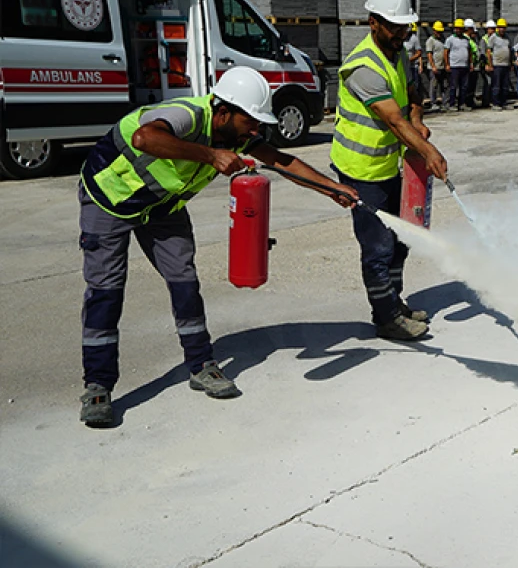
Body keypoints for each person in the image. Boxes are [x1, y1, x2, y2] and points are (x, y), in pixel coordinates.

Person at [75, 66, 361, 426]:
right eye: (251, 121)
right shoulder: (185, 116)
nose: (256, 130)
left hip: (163, 207)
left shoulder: (237, 135)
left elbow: (283, 161)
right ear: (223, 112)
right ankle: (97, 385)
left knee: (185, 282)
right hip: (108, 200)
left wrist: (331, 188)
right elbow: (145, 139)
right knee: (106, 291)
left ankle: (201, 364)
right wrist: (210, 156)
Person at [332, 0, 450, 345]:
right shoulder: (363, 67)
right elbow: (392, 121)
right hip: (360, 170)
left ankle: (394, 304)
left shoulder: (398, 53)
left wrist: (417, 118)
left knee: (402, 239)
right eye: (394, 26)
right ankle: (385, 319)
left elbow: (412, 95)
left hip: (388, 165)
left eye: (405, 26)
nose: (401, 33)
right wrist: (429, 152)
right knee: (378, 246)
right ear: (373, 22)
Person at [443, 18, 470, 111]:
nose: (458, 30)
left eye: (460, 28)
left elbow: (469, 52)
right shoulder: (450, 39)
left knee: (464, 87)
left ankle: (462, 104)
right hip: (454, 66)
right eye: (457, 28)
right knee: (453, 86)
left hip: (464, 66)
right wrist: (447, 64)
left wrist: (470, 63)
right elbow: (446, 52)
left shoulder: (466, 39)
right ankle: (452, 104)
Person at [487, 19, 512, 110]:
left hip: (506, 65)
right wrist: (490, 64)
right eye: (500, 27)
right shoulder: (493, 38)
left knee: (505, 86)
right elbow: (489, 51)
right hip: (497, 64)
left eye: (503, 27)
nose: (502, 29)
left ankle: (503, 102)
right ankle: (495, 103)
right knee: (496, 85)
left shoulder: (507, 38)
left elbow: (509, 50)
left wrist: (510, 63)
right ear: (497, 28)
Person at [424, 20, 447, 111]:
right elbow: (429, 54)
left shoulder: (443, 40)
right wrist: (433, 66)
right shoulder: (430, 41)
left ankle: (444, 103)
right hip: (434, 67)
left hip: (442, 67)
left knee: (444, 86)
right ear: (434, 30)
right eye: (438, 31)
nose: (439, 33)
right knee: (433, 86)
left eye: (440, 31)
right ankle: (433, 103)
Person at [403, 22, 423, 102]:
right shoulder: (401, 38)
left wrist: (410, 59)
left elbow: (419, 52)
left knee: (415, 86)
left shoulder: (414, 38)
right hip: (403, 66)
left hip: (412, 67)